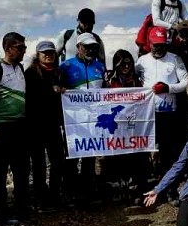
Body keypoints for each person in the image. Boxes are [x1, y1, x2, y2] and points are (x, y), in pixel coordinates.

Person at [0, 32, 30, 226]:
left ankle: (22, 209)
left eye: (24, 47)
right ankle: (2, 214)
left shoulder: (20, 68)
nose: (23, 50)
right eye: (20, 47)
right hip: (2, 128)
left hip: (21, 126)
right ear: (8, 48)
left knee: (22, 170)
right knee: (0, 174)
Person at [137, 27, 188, 190]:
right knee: (144, 150)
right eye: (155, 45)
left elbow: (186, 82)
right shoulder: (141, 61)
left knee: (169, 152)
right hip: (147, 114)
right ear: (149, 43)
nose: (159, 48)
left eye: (162, 45)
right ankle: (143, 186)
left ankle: (170, 188)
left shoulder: (175, 59)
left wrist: (168, 88)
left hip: (169, 114)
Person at [59, 34, 107, 200]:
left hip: (94, 119)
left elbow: (106, 92)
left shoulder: (100, 67)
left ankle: (87, 190)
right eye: (86, 47)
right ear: (78, 46)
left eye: (93, 47)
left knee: (90, 153)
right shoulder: (65, 66)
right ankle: (69, 190)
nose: (90, 50)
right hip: (73, 120)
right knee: (71, 155)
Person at [25, 40, 69, 209]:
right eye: (45, 52)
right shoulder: (30, 73)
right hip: (35, 126)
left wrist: (63, 90)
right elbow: (30, 99)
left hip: (53, 126)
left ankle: (55, 194)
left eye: (51, 52)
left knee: (58, 161)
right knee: (38, 164)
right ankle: (42, 197)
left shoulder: (59, 73)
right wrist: (51, 91)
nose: (48, 55)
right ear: (38, 55)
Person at [105, 49, 149, 203]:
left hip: (134, 124)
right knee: (116, 157)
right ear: (116, 65)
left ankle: (135, 189)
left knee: (135, 156)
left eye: (129, 63)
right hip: (115, 126)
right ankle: (116, 189)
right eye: (122, 64)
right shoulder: (109, 80)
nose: (126, 67)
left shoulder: (137, 80)